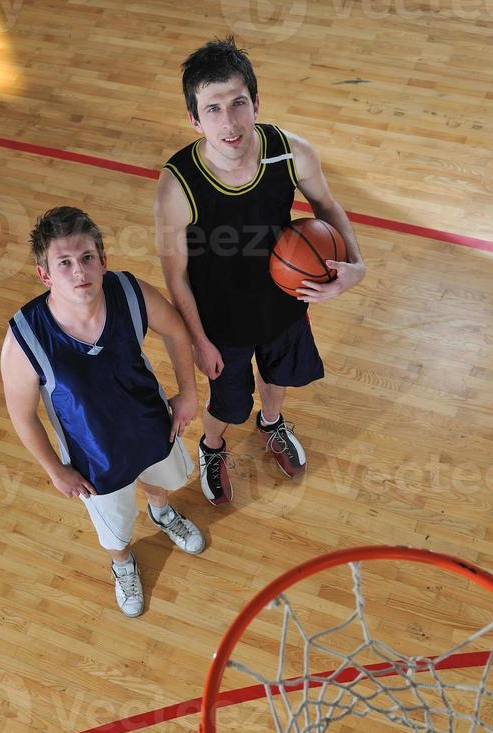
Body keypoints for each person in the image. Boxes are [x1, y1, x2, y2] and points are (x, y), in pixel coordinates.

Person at [154, 36, 366, 505]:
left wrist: (356, 264)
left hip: (285, 303)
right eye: (212, 109)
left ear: (256, 103)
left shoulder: (290, 151)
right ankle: (212, 447)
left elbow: (326, 203)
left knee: (279, 378)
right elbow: (175, 278)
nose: (228, 122)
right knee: (227, 402)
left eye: (238, 103)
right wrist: (198, 340)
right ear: (193, 119)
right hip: (220, 322)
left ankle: (271, 424)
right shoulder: (178, 185)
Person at [1, 206, 205, 618]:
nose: (79, 271)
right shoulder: (24, 338)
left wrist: (187, 392)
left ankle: (162, 513)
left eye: (87, 258)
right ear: (45, 275)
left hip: (152, 427)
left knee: (160, 482)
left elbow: (176, 330)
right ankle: (123, 564)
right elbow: (22, 416)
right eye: (64, 263)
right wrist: (56, 470)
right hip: (94, 459)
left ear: (103, 260)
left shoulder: (129, 292)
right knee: (114, 529)